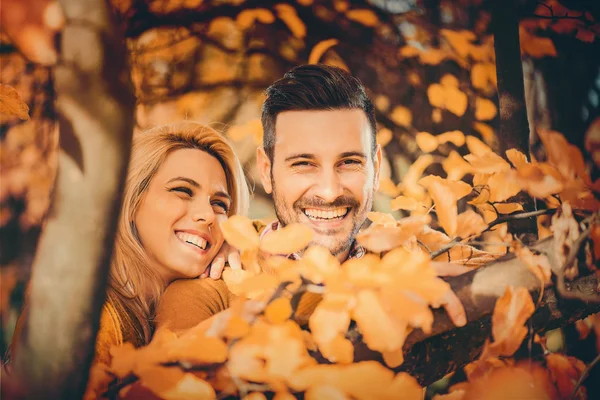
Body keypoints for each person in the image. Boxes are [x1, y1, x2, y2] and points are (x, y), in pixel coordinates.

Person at [155, 64, 466, 332]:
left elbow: (512, 270)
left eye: (350, 162)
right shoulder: (209, 295)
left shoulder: (417, 254)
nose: (329, 192)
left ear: (377, 167)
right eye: (303, 164)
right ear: (266, 170)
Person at [10, 121, 250, 365]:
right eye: (183, 191)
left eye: (220, 204)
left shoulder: (194, 298)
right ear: (131, 200)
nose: (208, 215)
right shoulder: (84, 316)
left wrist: (244, 247)